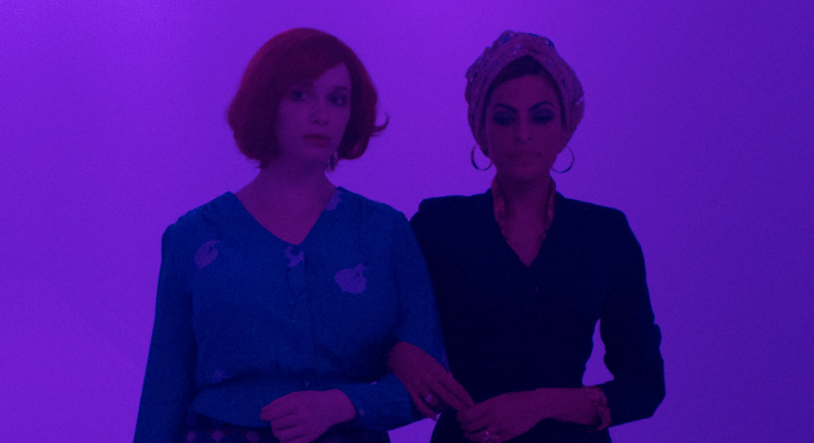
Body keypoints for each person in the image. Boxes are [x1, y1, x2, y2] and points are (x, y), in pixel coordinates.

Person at [134, 28, 446, 443]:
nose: (321, 114)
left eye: (337, 99)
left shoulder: (385, 233)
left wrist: (341, 404)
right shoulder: (192, 237)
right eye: (300, 95)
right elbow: (164, 392)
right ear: (266, 103)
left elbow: (429, 382)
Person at [387, 31, 665, 443]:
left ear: (566, 127)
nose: (522, 134)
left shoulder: (605, 234)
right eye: (504, 118)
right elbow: (377, 329)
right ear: (480, 129)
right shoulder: (438, 226)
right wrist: (398, 353)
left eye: (541, 117)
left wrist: (537, 405)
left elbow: (644, 384)